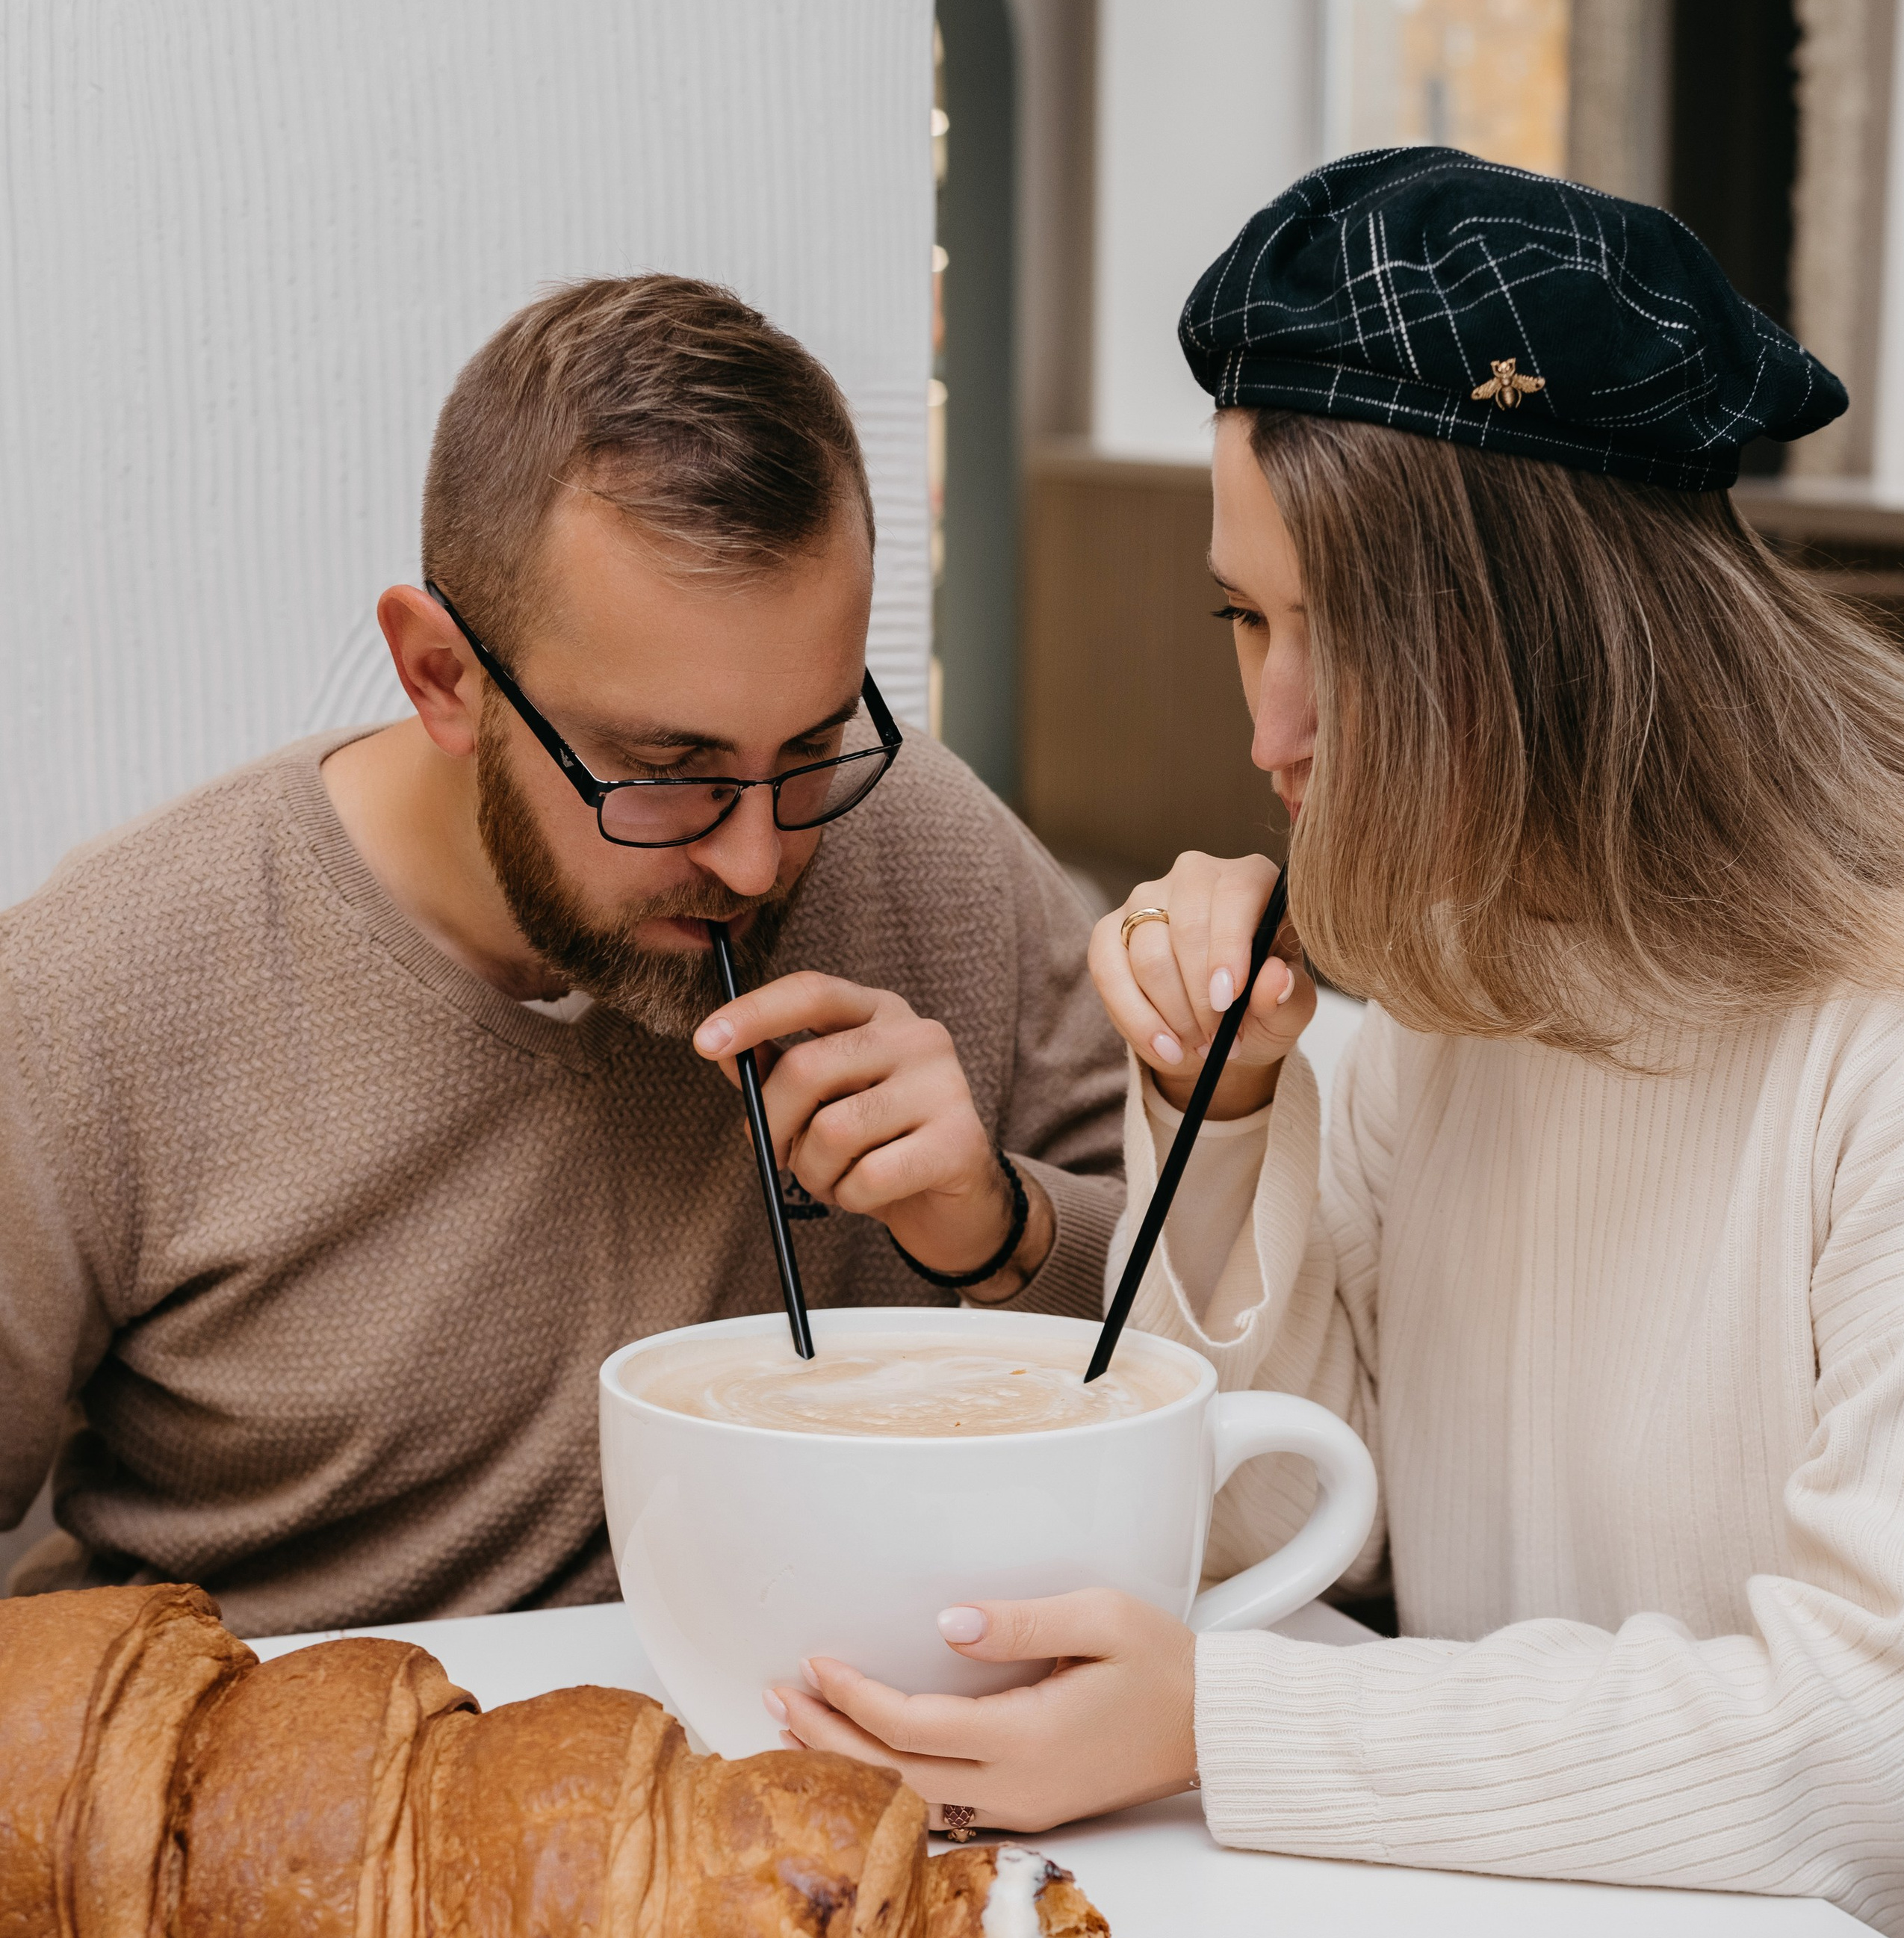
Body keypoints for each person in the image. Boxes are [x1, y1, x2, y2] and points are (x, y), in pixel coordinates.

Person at [749, 150, 1904, 1938]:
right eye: (1242, 624)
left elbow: (1876, 1745)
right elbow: (1273, 1490)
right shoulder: (1456, 993)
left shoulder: (1883, 1036)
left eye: (1328, 640)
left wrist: (1216, 1713)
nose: (1265, 732)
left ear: (1532, 640)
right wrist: (1241, 1107)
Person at [0, 276, 1123, 1632]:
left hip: (832, 1773)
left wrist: (1000, 1227)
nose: (760, 860)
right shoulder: (102, 989)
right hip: (284, 1798)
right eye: (664, 770)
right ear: (441, 678)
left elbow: (1224, 1343)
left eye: (816, 743)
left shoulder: (926, 847)